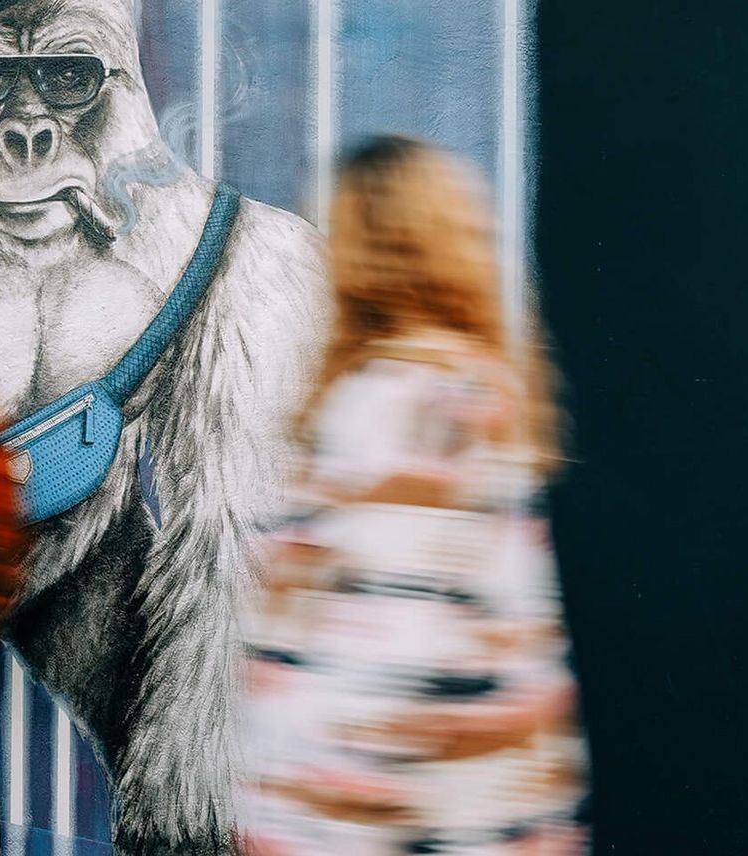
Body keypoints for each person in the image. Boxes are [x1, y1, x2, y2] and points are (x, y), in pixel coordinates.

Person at [238, 136, 590, 855]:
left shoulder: (397, 404)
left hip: (379, 819)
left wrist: (305, 809)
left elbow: (388, 640)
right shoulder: (479, 392)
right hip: (481, 808)